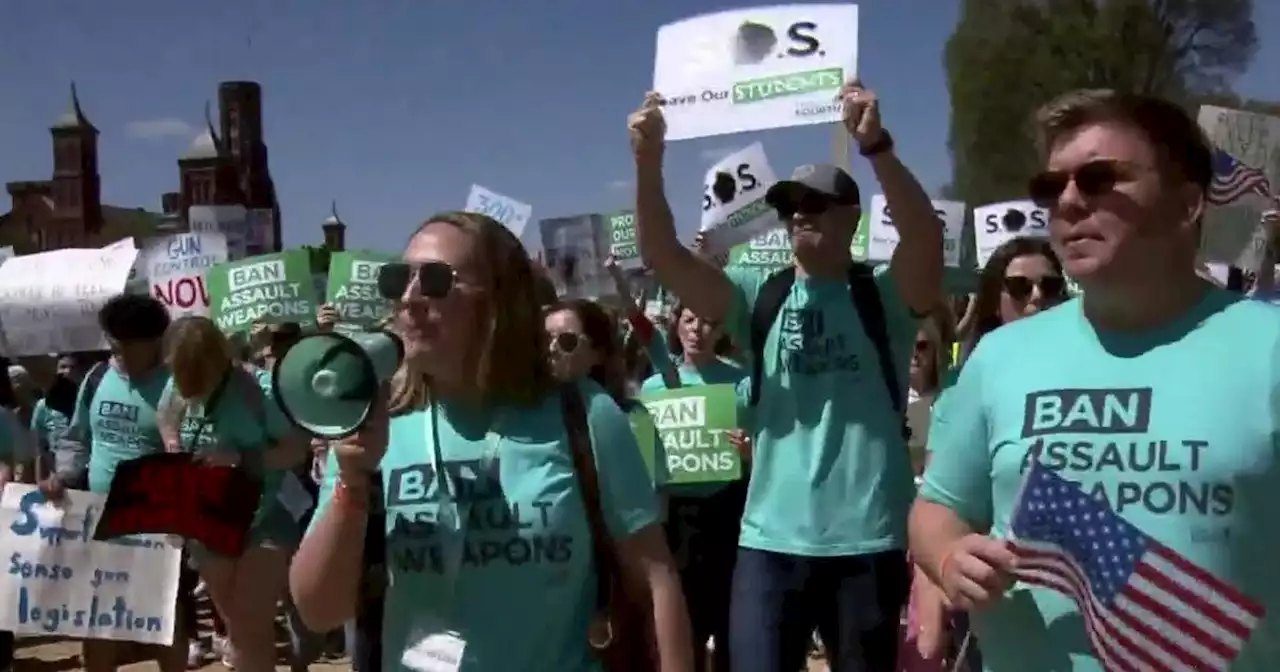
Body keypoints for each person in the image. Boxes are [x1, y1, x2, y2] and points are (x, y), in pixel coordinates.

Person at [910, 89, 1280, 671]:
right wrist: (951, 554)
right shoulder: (1000, 356)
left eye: (1101, 179)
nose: (1070, 202)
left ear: (1187, 205)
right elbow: (937, 509)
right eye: (1051, 188)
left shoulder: (1269, 348)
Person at [290, 211, 694, 671]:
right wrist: (354, 480)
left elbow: (655, 578)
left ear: (502, 300)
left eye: (437, 280)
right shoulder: (376, 420)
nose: (409, 297)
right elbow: (319, 610)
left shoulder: (582, 414)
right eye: (400, 278)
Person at [629, 79, 943, 671]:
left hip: (869, 539)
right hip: (768, 543)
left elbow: (925, 236)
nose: (798, 211)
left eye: (815, 200)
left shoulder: (884, 295)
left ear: (852, 216)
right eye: (789, 203)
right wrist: (648, 161)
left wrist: (877, 148)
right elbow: (663, 255)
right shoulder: (756, 295)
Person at [40, 294, 189, 672]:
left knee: (165, 615)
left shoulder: (179, 385)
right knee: (96, 615)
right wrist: (64, 474)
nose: (117, 352)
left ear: (156, 340)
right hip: (98, 516)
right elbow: (76, 437)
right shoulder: (97, 378)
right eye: (113, 344)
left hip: (158, 522)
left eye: (126, 346)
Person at [157, 316, 309, 672]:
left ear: (217, 360)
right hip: (207, 524)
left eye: (199, 377)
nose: (189, 387)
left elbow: (295, 449)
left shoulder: (258, 390)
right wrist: (172, 443)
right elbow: (165, 417)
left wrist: (240, 458)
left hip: (263, 518)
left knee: (251, 626)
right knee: (240, 630)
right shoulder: (176, 383)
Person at [640, 303, 751, 672]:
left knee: (731, 623)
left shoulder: (741, 381)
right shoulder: (654, 386)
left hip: (728, 511)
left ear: (721, 331)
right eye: (689, 320)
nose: (697, 329)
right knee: (683, 621)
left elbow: (768, 443)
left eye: (708, 321)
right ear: (676, 326)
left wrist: (751, 451)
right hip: (675, 517)